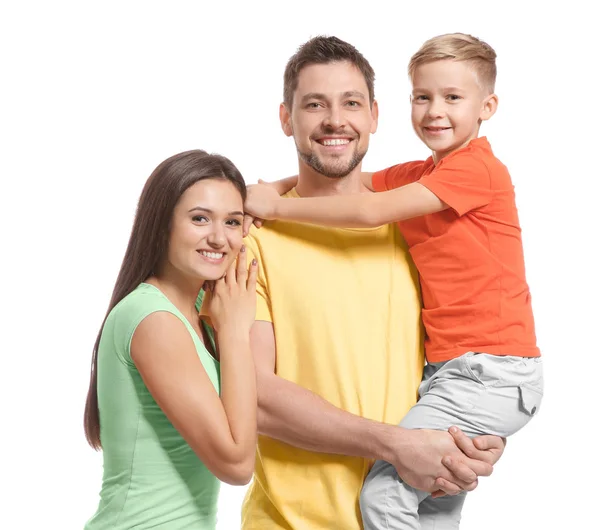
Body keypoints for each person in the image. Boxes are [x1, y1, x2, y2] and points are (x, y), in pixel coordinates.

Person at [243, 33, 543, 529]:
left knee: (407, 501)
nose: (335, 119)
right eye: (315, 104)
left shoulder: (414, 213)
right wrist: (264, 197)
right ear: (285, 118)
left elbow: (368, 207)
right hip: (289, 521)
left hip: (470, 388)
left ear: (374, 116)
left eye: (351, 103)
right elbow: (252, 396)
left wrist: (470, 439)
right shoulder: (253, 241)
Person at [83, 149, 258, 530]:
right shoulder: (154, 319)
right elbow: (237, 463)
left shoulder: (198, 309)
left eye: (232, 221)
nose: (219, 238)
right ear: (162, 223)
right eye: (199, 219)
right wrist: (233, 334)